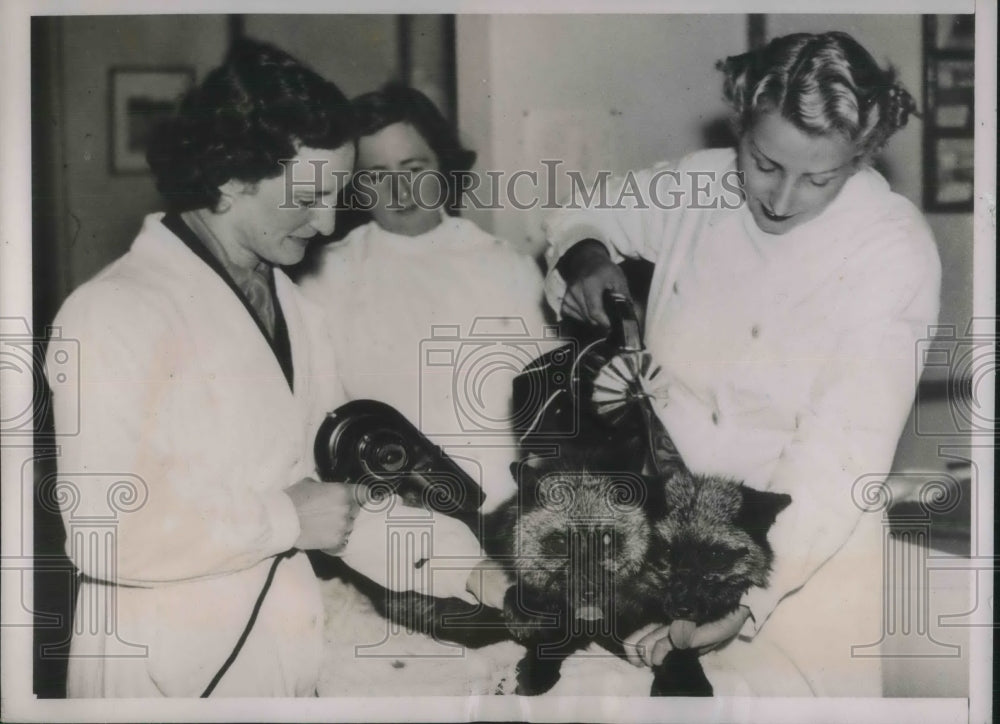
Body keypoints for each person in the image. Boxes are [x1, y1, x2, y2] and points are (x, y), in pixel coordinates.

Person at [543, 31, 941, 696]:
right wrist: (586, 256)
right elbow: (579, 215)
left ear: (862, 153)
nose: (781, 200)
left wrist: (747, 598)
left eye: (820, 177)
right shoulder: (698, 185)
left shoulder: (890, 248)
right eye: (763, 163)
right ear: (742, 125)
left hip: (803, 571)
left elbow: (842, 455)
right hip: (665, 546)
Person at [46, 39, 361, 697]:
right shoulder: (113, 311)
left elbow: (334, 499)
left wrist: (473, 574)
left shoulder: (301, 314)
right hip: (162, 680)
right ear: (230, 176)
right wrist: (282, 520)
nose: (328, 222)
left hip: (281, 662)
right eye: (308, 196)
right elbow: (102, 531)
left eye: (337, 194)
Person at [296, 84, 551, 695]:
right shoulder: (324, 279)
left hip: (509, 532)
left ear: (445, 166)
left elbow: (544, 422)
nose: (401, 191)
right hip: (392, 551)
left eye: (415, 168)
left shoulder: (505, 266)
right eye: (377, 175)